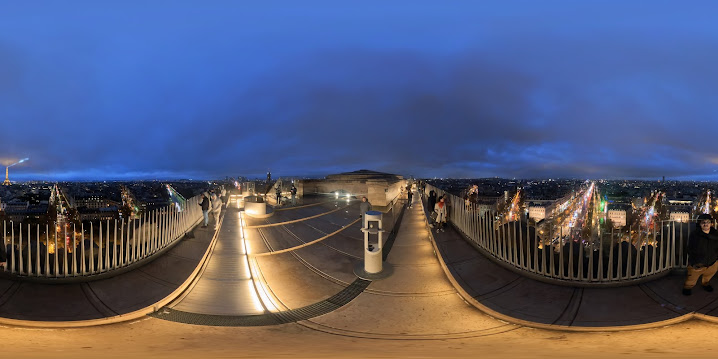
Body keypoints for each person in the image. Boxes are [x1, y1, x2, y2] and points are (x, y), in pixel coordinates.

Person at [683, 213, 718, 295]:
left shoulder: (716, 234)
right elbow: (690, 249)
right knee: (691, 278)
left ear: (711, 223)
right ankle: (688, 287)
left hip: (712, 262)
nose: (706, 224)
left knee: (708, 276)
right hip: (698, 262)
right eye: (703, 222)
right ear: (699, 224)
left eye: (708, 222)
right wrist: (693, 262)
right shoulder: (695, 235)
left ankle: (705, 284)